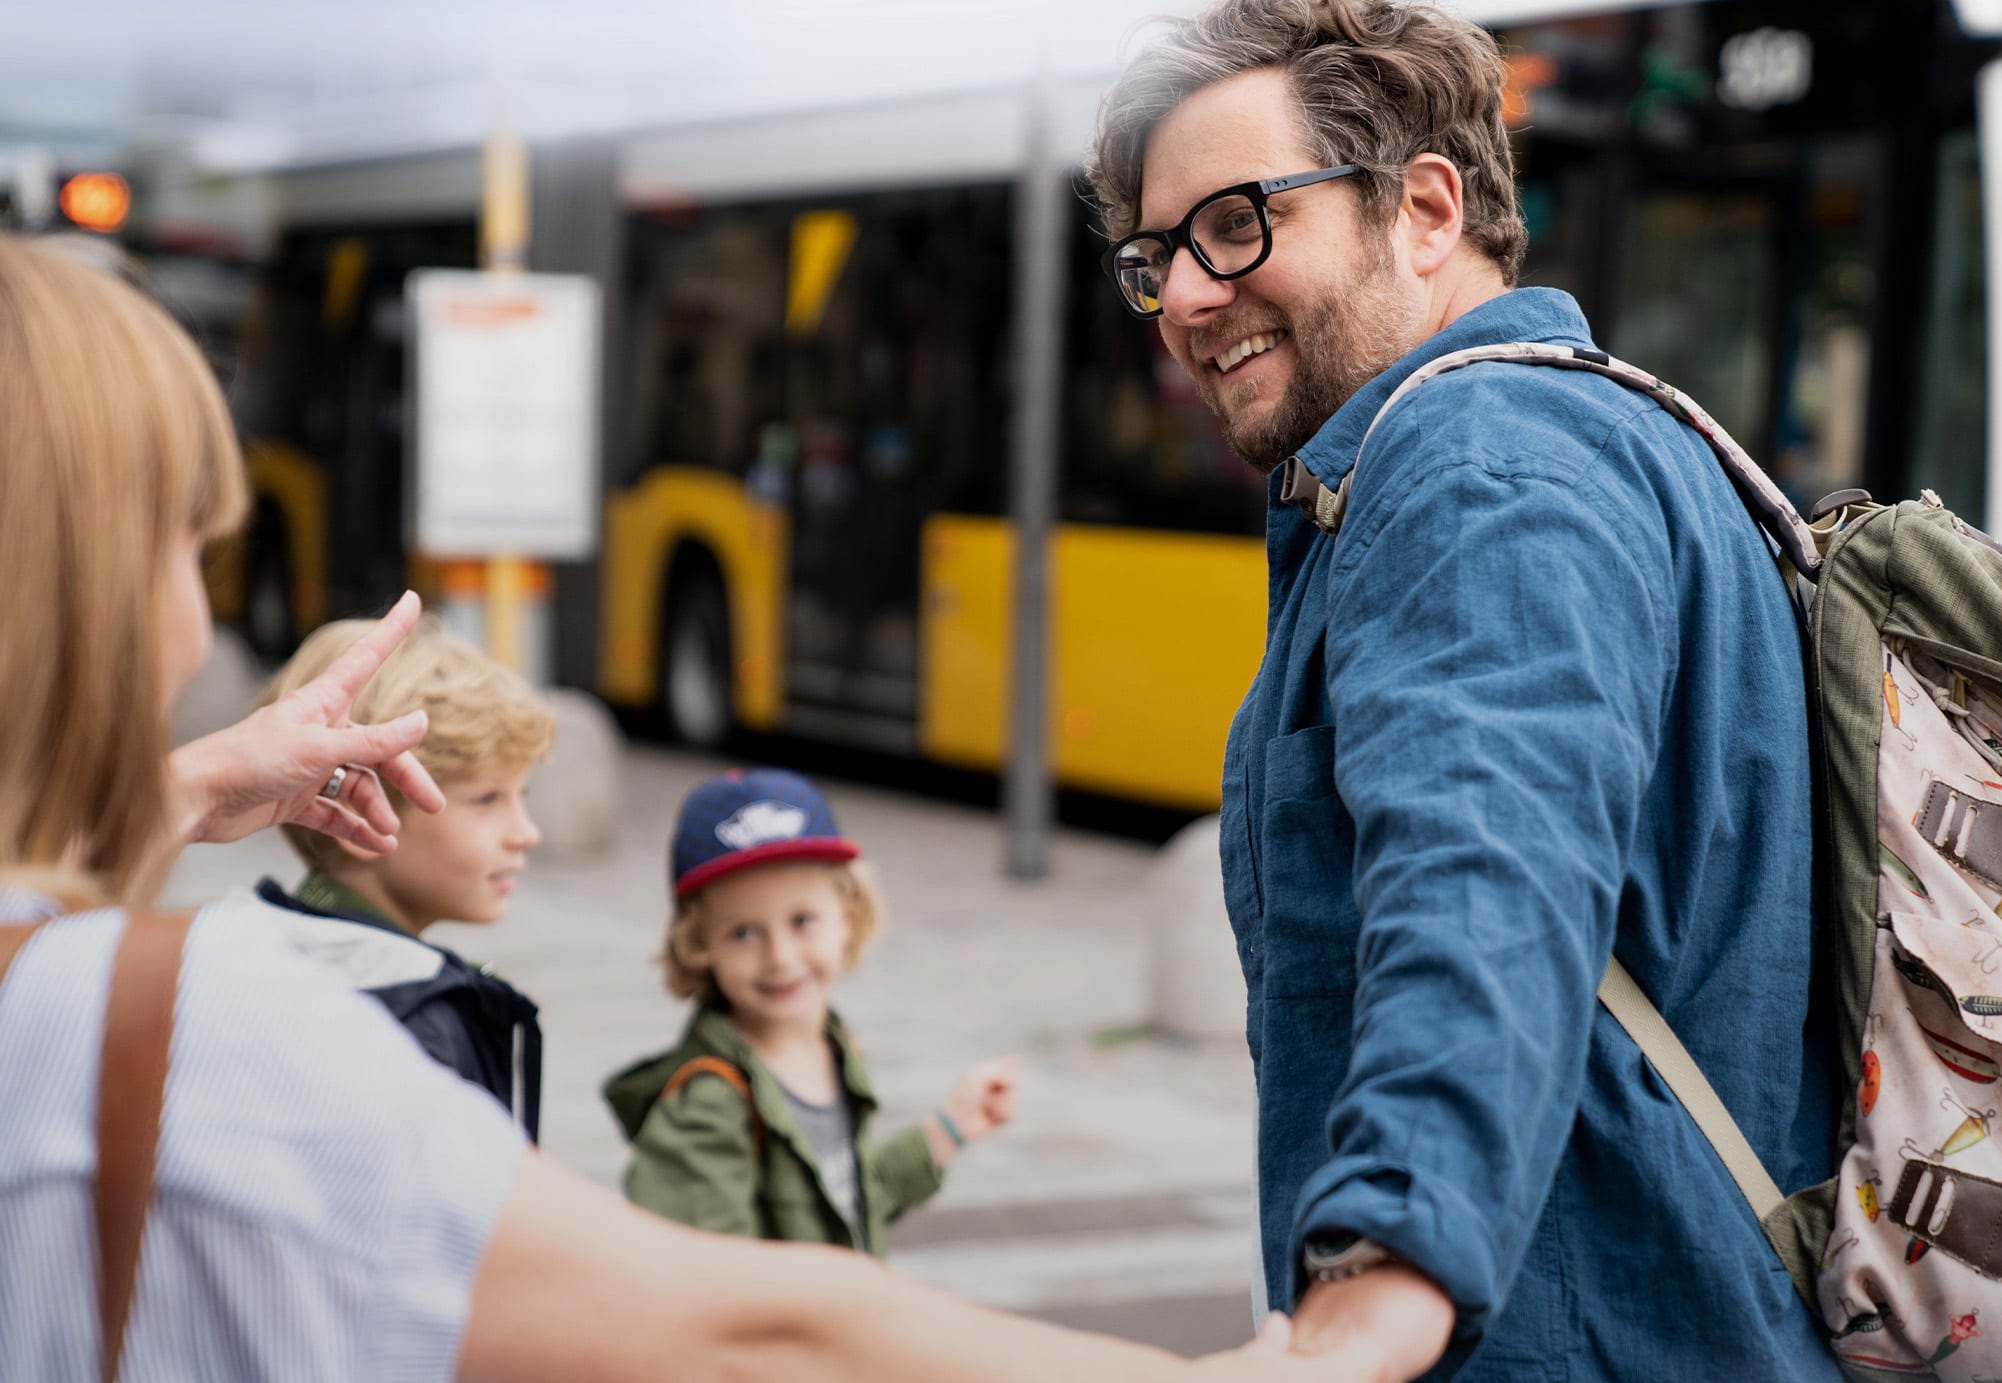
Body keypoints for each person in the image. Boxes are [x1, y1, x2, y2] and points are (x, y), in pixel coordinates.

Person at [0, 230, 1377, 1381]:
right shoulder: (188, 1026)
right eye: (188, 545)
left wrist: (182, 786)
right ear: (85, 584)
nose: (197, 620)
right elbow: (742, 1326)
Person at [1084, 2, 1838, 1378]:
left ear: (1425, 207)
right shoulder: (1585, 431)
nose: (1187, 294)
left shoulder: (1479, 469)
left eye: (1238, 223)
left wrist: (1385, 1274)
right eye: (1157, 256)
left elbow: (1486, 877)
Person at [607, 768, 1015, 1252]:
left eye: (802, 920)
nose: (780, 957)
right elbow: (709, 1287)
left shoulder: (830, 1043)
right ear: (698, 945)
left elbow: (841, 1206)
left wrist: (948, 1130)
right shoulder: (709, 1106)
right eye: (744, 932)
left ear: (848, 916)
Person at [253, 617, 554, 1139]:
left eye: (521, 797)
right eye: (486, 799)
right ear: (359, 809)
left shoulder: (262, 946)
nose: (525, 834)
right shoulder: (413, 1021)